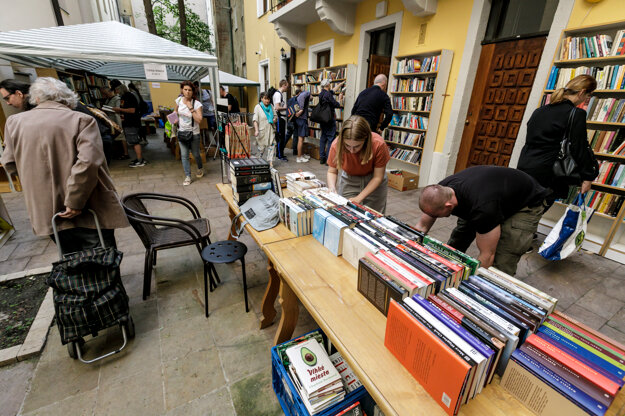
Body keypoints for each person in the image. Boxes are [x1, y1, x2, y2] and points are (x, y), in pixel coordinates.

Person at [0, 77, 128, 252]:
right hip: (88, 204)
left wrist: (37, 180)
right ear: (67, 97)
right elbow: (88, 163)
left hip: (47, 208)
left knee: (71, 261)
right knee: (102, 260)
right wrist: (74, 201)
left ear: (36, 98)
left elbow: (9, 163)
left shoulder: (14, 123)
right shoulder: (81, 120)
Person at [415, 166, 552, 276]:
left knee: (504, 257)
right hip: (492, 194)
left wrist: (473, 281)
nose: (434, 218)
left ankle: (497, 290)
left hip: (526, 202)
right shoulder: (442, 190)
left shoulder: (484, 210)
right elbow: (422, 226)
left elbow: (487, 255)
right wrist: (410, 244)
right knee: (460, 236)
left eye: (436, 215)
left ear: (448, 206)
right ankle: (446, 268)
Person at [518, 75, 599, 206]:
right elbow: (579, 147)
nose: (586, 99)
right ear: (582, 92)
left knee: (518, 210)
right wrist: (588, 176)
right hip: (549, 174)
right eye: (588, 95)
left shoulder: (540, 111)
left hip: (525, 167)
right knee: (531, 215)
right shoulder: (576, 113)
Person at [327, 115, 390, 213]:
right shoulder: (336, 145)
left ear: (366, 140)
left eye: (357, 146)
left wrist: (359, 198)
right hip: (349, 180)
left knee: (374, 216)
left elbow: (378, 177)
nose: (352, 151)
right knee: (345, 213)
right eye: (347, 145)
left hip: (373, 180)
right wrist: (332, 188)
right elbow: (332, 171)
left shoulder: (378, 144)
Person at [110, 80, 146, 167]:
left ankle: (140, 160)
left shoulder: (128, 96)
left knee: (135, 141)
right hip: (129, 122)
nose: (116, 92)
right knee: (133, 141)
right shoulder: (125, 96)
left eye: (116, 90)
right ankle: (139, 158)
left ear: (120, 89)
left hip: (132, 122)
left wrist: (119, 110)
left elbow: (132, 110)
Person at [174, 80, 204, 186]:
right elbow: (175, 112)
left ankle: (200, 168)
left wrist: (189, 106)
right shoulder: (178, 100)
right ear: (182, 90)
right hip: (182, 132)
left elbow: (199, 120)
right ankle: (188, 176)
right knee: (184, 155)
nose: (187, 92)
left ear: (193, 92)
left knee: (195, 154)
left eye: (190, 90)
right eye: (185, 89)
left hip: (194, 133)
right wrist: (173, 120)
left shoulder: (197, 104)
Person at [318, 79, 344, 165]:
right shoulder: (328, 94)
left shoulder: (321, 93)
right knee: (330, 138)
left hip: (323, 119)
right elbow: (336, 104)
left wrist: (340, 84)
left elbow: (332, 91)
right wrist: (340, 99)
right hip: (329, 118)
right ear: (328, 85)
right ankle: (328, 160)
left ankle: (322, 158)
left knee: (323, 137)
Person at [102, 86, 129, 160]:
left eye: (105, 93)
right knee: (114, 136)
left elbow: (118, 109)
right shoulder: (108, 99)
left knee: (121, 135)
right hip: (110, 119)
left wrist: (108, 109)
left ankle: (126, 153)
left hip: (116, 119)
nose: (105, 95)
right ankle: (117, 153)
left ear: (110, 91)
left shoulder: (117, 99)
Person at [253, 92, 277, 162]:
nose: (267, 101)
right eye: (265, 99)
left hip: (271, 130)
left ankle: (270, 163)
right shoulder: (257, 107)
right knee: (261, 148)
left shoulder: (271, 106)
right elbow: (255, 120)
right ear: (261, 99)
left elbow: (275, 116)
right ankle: (258, 161)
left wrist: (275, 119)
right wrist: (256, 130)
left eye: (268, 99)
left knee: (272, 146)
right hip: (262, 131)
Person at [272, 80, 290, 161]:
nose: (287, 88)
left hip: (281, 118)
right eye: (287, 86)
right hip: (279, 118)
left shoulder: (279, 94)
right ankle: (280, 155)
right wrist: (286, 107)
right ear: (283, 85)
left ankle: (279, 154)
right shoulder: (278, 94)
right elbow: (277, 107)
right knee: (280, 137)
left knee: (281, 136)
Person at [295, 89, 311, 163]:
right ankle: (299, 157)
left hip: (300, 119)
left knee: (302, 138)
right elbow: (301, 109)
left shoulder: (300, 96)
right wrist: (301, 111)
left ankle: (301, 154)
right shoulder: (304, 94)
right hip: (302, 119)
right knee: (301, 139)